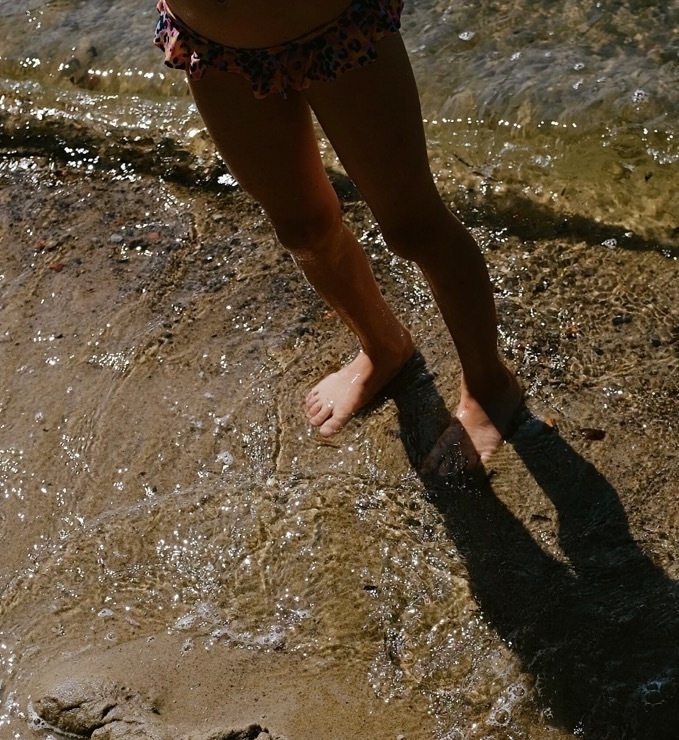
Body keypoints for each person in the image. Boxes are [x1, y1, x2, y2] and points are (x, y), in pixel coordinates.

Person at [155, 0, 528, 469]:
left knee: (413, 226)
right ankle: (383, 346)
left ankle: (489, 385)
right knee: (301, 228)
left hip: (336, 27)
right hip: (213, 43)